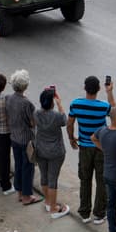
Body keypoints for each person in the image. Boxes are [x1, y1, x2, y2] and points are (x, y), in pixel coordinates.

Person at [67, 75, 115, 224]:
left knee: (85, 179)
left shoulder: (76, 104)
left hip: (84, 147)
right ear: (99, 89)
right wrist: (110, 92)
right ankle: (99, 214)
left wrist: (71, 138)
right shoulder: (103, 106)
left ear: (84, 87)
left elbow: (70, 123)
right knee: (101, 181)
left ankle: (84, 212)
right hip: (100, 147)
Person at [5, 69, 41, 205]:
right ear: (25, 86)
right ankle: (27, 196)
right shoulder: (27, 104)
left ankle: (19, 192)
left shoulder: (8, 98)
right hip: (27, 140)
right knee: (28, 167)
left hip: (14, 137)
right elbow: (33, 122)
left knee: (18, 165)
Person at [34, 87, 69, 218]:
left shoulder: (36, 113)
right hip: (55, 152)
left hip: (41, 149)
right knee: (53, 179)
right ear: (52, 103)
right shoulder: (56, 116)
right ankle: (54, 210)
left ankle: (48, 202)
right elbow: (64, 121)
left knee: (44, 175)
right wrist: (60, 104)